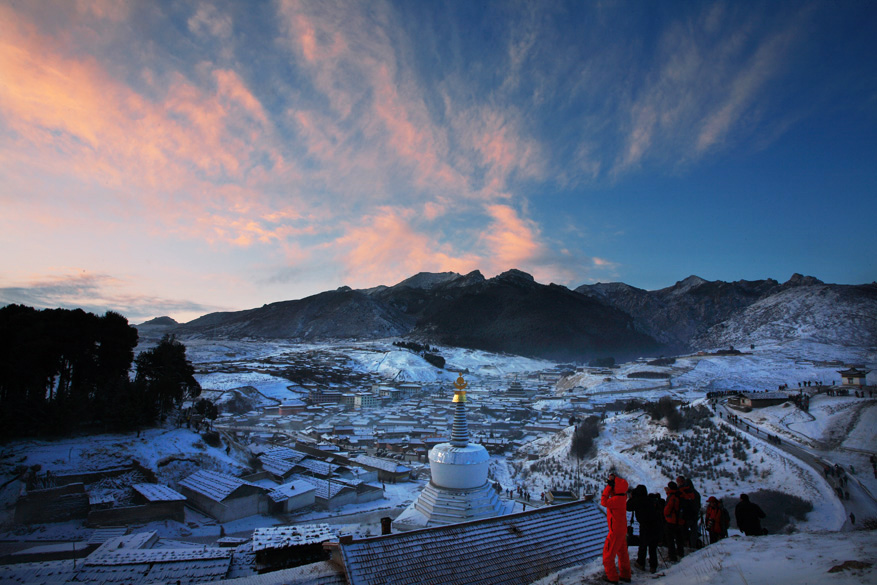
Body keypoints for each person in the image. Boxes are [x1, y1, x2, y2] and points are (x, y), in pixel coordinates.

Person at [601, 472, 631, 584]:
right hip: (622, 530)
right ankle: (625, 575)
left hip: (615, 531)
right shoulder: (623, 497)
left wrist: (608, 486)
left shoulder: (615, 500)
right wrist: (613, 483)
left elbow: (603, 501)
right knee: (623, 554)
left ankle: (612, 577)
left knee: (608, 555)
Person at [627, 484, 659, 574]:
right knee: (652, 546)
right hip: (654, 523)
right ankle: (653, 566)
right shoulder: (649, 499)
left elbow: (628, 506)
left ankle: (641, 563)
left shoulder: (637, 500)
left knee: (643, 544)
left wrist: (632, 497)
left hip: (645, 525)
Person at [663, 481, 686, 561]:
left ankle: (672, 556)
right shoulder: (679, 494)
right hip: (679, 520)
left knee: (670, 539)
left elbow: (668, 508)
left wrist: (665, 515)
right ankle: (680, 552)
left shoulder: (671, 496)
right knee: (679, 538)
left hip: (671, 520)